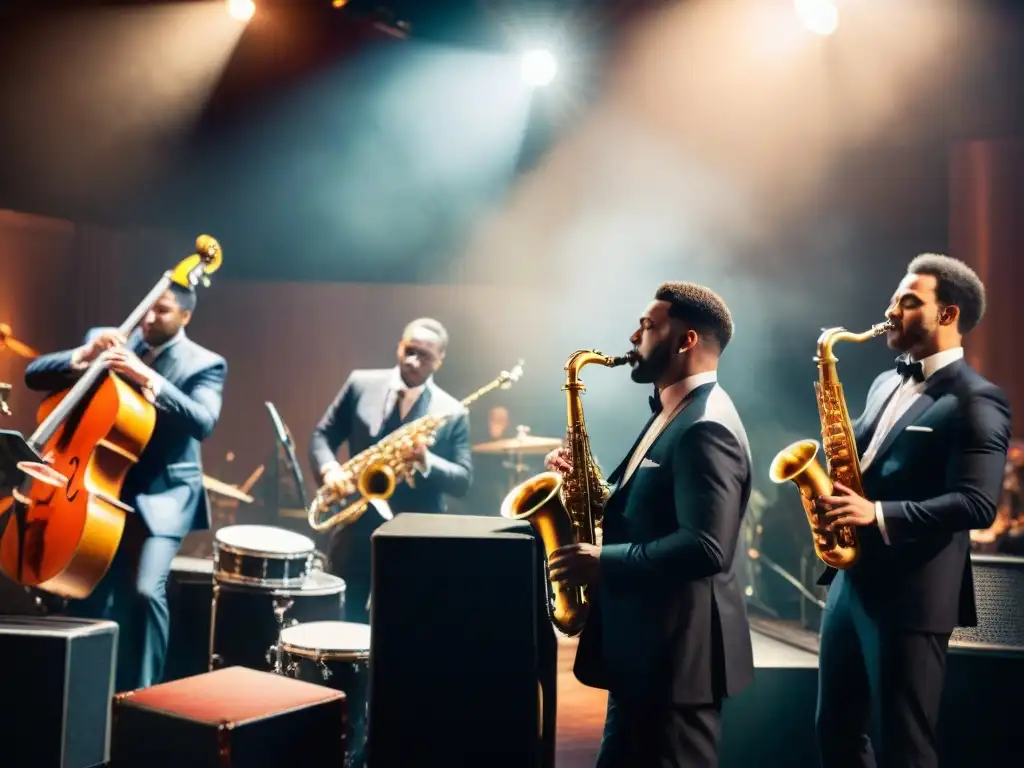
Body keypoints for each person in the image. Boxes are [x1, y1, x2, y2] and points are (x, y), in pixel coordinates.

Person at [544, 282, 754, 768]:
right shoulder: (673, 409)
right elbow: (651, 508)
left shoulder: (707, 426)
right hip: (648, 655)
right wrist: (590, 486)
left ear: (686, 341)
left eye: (647, 326)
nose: (633, 337)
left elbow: (706, 548)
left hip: (676, 663)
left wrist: (604, 562)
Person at [815, 253, 1011, 768]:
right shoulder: (885, 382)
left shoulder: (978, 401)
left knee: (905, 748)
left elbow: (977, 503)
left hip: (910, 597)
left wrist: (874, 514)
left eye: (907, 301)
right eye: (894, 299)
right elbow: (859, 456)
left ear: (947, 315)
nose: (890, 311)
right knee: (835, 735)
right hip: (849, 585)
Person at [23, 283, 226, 692]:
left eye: (163, 311)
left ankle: (146, 698)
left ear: (185, 316)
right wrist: (85, 356)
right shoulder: (107, 338)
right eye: (147, 308)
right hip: (99, 487)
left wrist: (146, 376)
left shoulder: (205, 363)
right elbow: (34, 375)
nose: (149, 319)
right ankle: (87, 693)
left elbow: (203, 421)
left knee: (145, 592)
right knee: (88, 592)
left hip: (162, 494)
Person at [309, 317, 472, 623]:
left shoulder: (453, 411)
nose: (412, 360)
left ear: (440, 360)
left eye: (423, 355)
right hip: (357, 523)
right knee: (345, 622)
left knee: (407, 627)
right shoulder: (360, 384)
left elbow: (463, 479)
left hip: (416, 534)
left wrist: (426, 461)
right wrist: (331, 470)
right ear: (399, 345)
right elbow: (322, 436)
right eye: (408, 350)